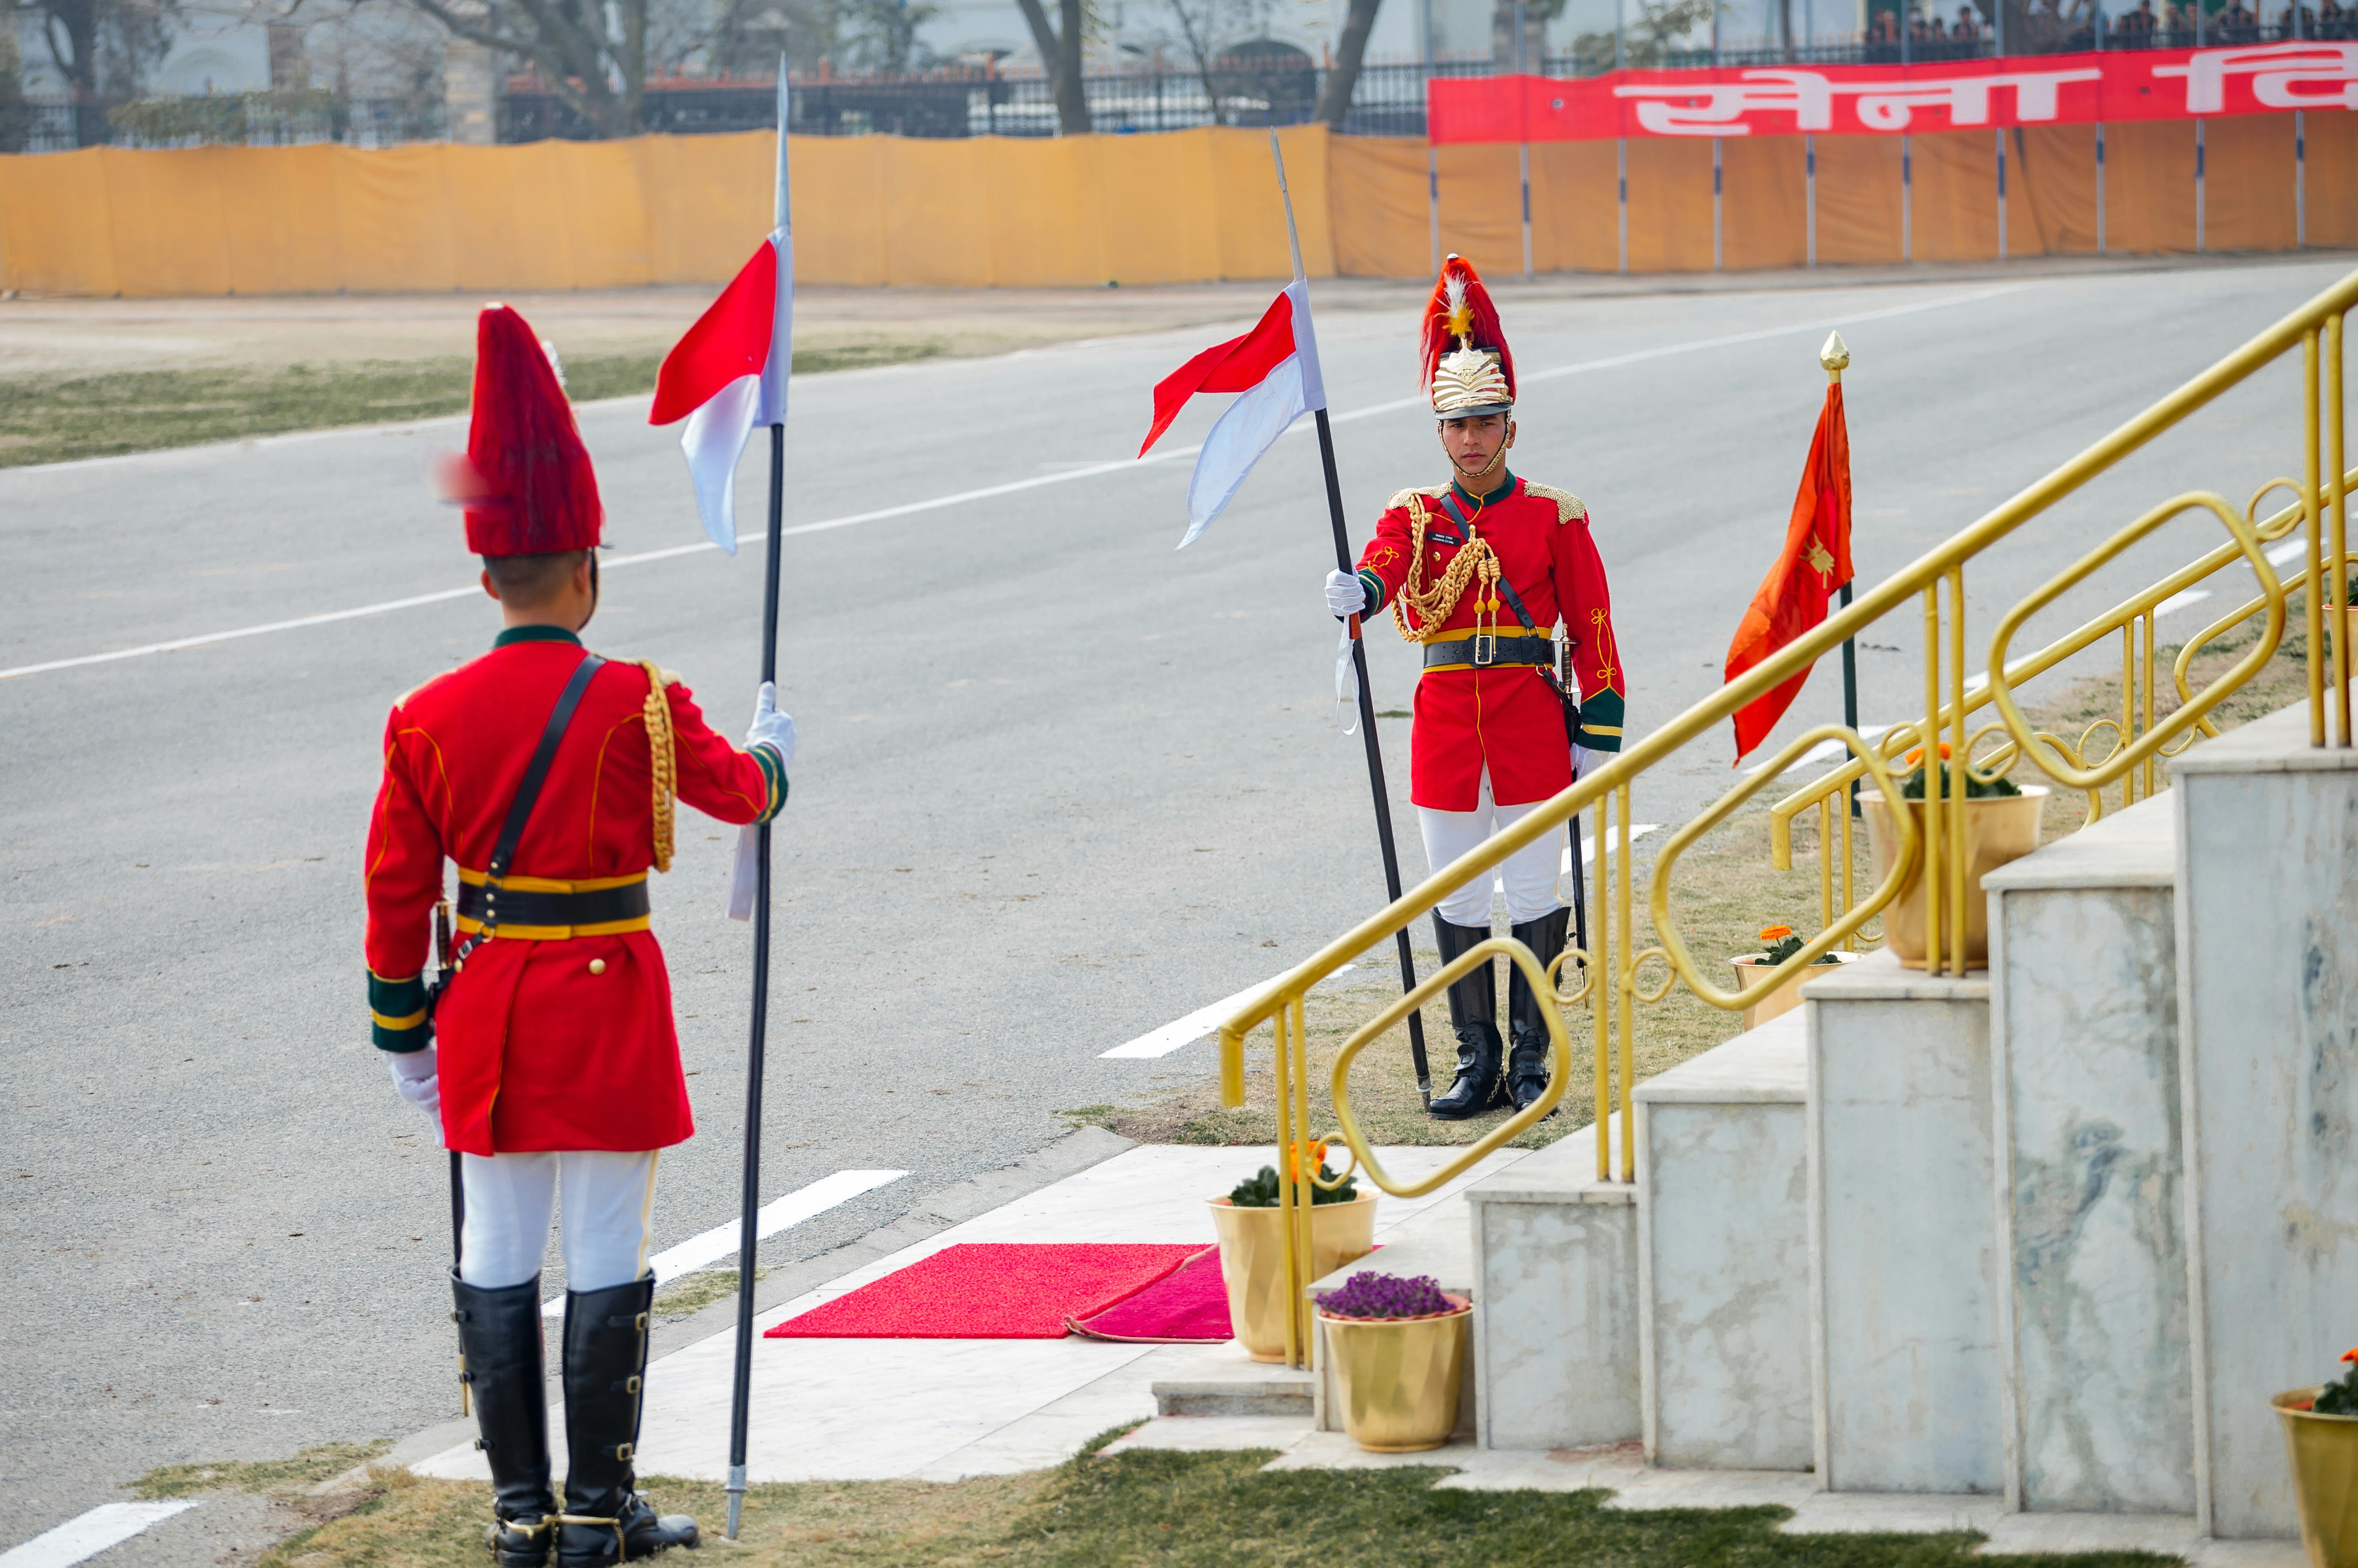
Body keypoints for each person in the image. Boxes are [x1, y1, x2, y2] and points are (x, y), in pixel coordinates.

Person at [367, 305, 793, 1568]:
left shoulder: (425, 715)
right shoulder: (639, 700)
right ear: (589, 570)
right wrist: (777, 746)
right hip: (608, 1002)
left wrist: (403, 1033)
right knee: (611, 1250)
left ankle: (517, 1516)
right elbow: (742, 792)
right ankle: (602, 1510)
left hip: (490, 1004)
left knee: (495, 1253)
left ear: (487, 575)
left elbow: (396, 892)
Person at [1322, 255, 1625, 1121]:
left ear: (1510, 428)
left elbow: (1594, 629)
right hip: (1447, 724)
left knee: (1534, 892)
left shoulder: (1554, 516)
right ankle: (1474, 1059)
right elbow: (1386, 567)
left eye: (1485, 423)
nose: (1470, 441)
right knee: (1453, 894)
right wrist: (1360, 594)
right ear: (1440, 431)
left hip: (1532, 719)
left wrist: (1595, 736)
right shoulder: (1413, 514)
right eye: (1456, 425)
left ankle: (1532, 1059)